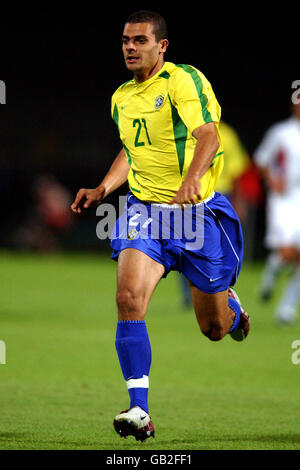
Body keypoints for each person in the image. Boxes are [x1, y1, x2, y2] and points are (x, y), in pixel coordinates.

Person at [71, 10, 250, 442]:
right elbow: (134, 151)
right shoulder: (121, 97)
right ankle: (139, 410)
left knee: (213, 329)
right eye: (125, 41)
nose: (130, 47)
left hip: (197, 215)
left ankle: (232, 308)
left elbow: (209, 134)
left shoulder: (182, 81)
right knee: (128, 297)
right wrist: (103, 188)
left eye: (139, 40)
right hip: (144, 212)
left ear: (161, 46)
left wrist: (191, 179)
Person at [254, 101, 300, 324]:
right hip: (283, 201)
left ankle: (286, 309)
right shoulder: (282, 133)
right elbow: (261, 159)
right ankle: (271, 274)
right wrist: (272, 179)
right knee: (287, 252)